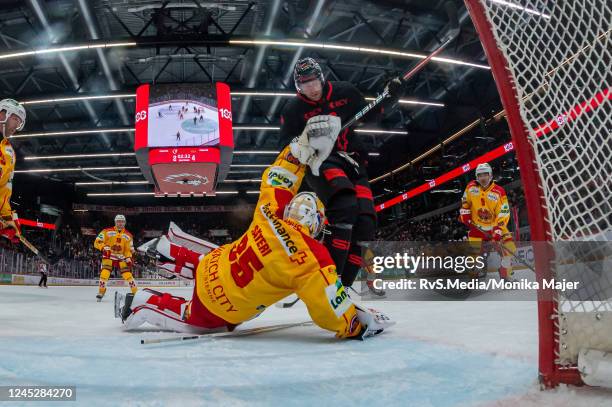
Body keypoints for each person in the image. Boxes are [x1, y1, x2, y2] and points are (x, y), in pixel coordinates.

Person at [117, 128, 393, 339]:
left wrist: (299, 149)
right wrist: (355, 324)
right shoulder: (313, 258)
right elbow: (328, 311)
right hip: (222, 305)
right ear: (317, 225)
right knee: (192, 318)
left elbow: (279, 176)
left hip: (213, 265)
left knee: (212, 260)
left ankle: (170, 249)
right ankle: (140, 301)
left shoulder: (269, 212)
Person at [279, 57, 402, 291]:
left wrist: (391, 96)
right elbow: (285, 145)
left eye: (314, 81)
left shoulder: (345, 91)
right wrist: (305, 142)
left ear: (321, 79)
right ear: (298, 86)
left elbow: (371, 115)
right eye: (305, 84)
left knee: (366, 224)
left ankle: (343, 287)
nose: (312, 88)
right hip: (321, 162)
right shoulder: (293, 110)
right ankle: (329, 281)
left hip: (352, 159)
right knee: (345, 207)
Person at [459, 163, 517, 281]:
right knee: (473, 254)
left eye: (485, 174)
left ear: (490, 175)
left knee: (509, 247)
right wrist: (464, 214)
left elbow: (504, 212)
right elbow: (465, 204)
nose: (483, 178)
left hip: (494, 226)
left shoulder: (499, 191)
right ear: (477, 177)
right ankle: (472, 277)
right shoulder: (471, 187)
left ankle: (505, 274)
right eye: (480, 175)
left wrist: (498, 229)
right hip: (476, 227)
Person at [93, 214, 137, 301]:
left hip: (121, 257)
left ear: (125, 223)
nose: (120, 223)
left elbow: (129, 250)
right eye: (118, 221)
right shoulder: (106, 231)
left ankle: (135, 292)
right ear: (115, 222)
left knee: (127, 275)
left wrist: (128, 257)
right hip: (108, 256)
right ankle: (101, 291)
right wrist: (104, 247)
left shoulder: (129, 235)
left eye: (122, 222)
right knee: (104, 273)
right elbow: (97, 241)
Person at [0, 99, 26, 244]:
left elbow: (3, 192)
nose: (16, 125)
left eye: (20, 122)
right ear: (2, 115)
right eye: (15, 118)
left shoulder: (9, 153)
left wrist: (10, 220)